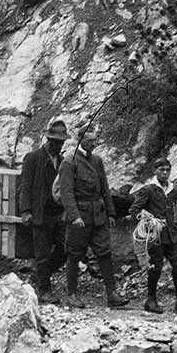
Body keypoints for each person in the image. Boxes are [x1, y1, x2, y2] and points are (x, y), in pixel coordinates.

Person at [57, 124, 126, 308]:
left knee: (104, 253)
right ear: (81, 140)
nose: (94, 144)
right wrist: (75, 216)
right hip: (80, 217)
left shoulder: (97, 161)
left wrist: (111, 212)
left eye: (95, 140)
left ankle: (112, 294)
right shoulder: (69, 162)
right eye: (90, 141)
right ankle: (72, 294)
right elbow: (66, 192)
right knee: (74, 254)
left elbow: (105, 188)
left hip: (99, 215)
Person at [130, 158, 177, 314]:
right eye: (161, 170)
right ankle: (150, 300)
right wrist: (146, 220)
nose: (165, 173)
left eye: (167, 170)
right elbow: (134, 210)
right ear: (155, 171)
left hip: (172, 234)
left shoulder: (173, 190)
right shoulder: (148, 189)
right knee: (156, 268)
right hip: (156, 236)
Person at [17, 117, 69, 299]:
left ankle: (40, 275)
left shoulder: (61, 161)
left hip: (56, 213)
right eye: (56, 142)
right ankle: (44, 290)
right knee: (42, 253)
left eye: (61, 142)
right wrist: (25, 211)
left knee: (65, 249)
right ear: (49, 140)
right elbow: (24, 186)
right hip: (40, 213)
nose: (59, 146)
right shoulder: (33, 158)